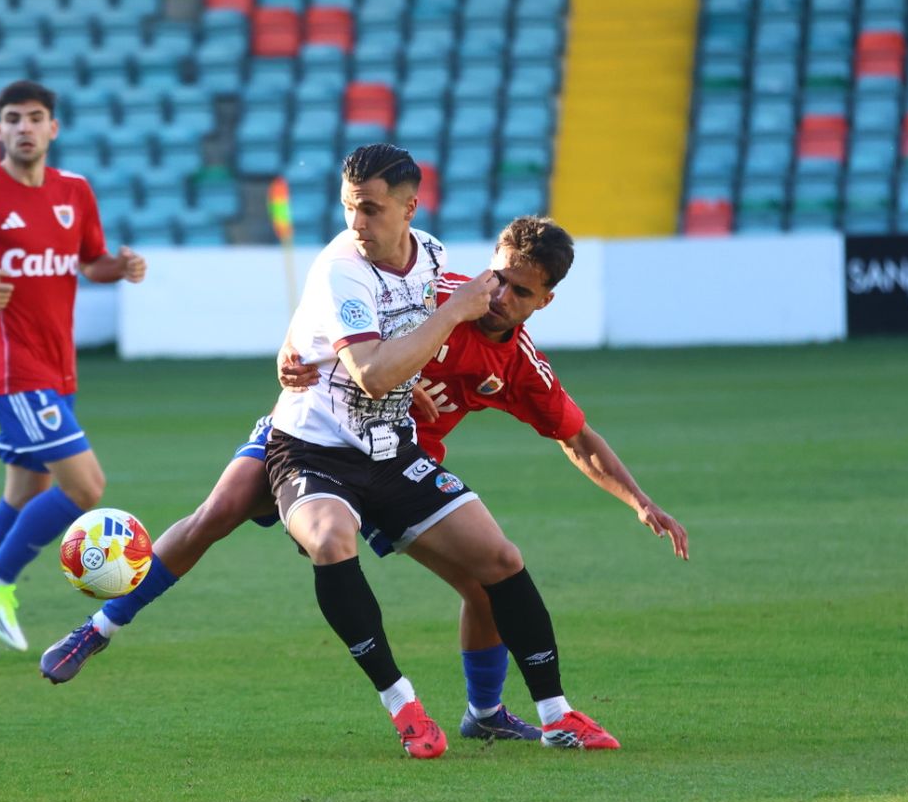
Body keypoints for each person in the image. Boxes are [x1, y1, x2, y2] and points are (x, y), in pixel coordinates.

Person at [42, 215, 689, 745]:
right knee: (220, 510)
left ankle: (486, 713)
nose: (499, 296)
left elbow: (576, 436)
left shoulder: (519, 365)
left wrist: (640, 500)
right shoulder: (440, 289)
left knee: (487, 578)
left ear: (544, 300)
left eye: (520, 291)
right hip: (314, 431)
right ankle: (99, 628)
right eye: (498, 278)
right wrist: (289, 352)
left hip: (391, 462)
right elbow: (333, 313)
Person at [0, 79, 145, 659]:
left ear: (53, 128)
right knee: (86, 486)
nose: (24, 128)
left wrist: (120, 266)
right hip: (11, 371)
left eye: (35, 117)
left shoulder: (75, 191)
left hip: (56, 369)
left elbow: (90, 263)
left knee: (25, 492)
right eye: (12, 118)